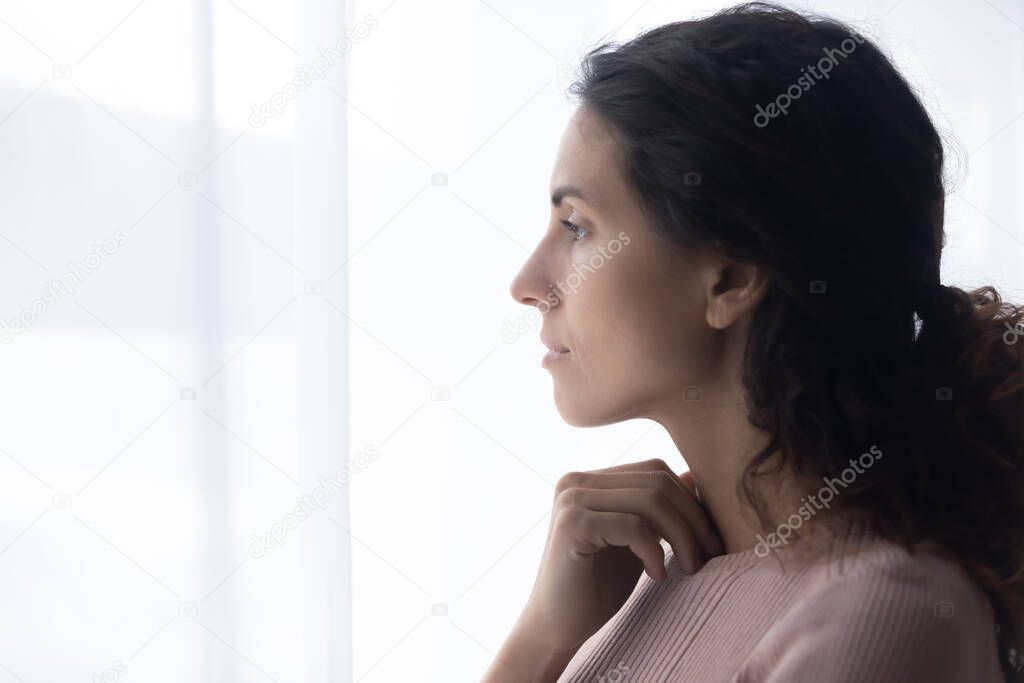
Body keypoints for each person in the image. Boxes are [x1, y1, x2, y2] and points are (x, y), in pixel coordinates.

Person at [484, 2, 1024, 681]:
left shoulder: (880, 617)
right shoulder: (658, 573)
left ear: (732, 277)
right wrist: (540, 639)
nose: (527, 282)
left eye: (578, 226)